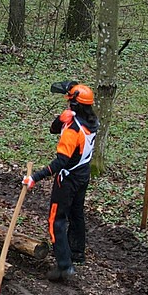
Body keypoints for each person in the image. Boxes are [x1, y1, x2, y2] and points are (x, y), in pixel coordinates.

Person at [23, 82, 98, 281]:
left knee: (56, 220)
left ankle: (64, 266)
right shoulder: (92, 122)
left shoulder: (73, 130)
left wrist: (35, 177)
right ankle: (77, 253)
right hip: (83, 175)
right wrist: (60, 119)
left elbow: (61, 162)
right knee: (76, 213)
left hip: (68, 180)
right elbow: (54, 129)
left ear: (74, 104)